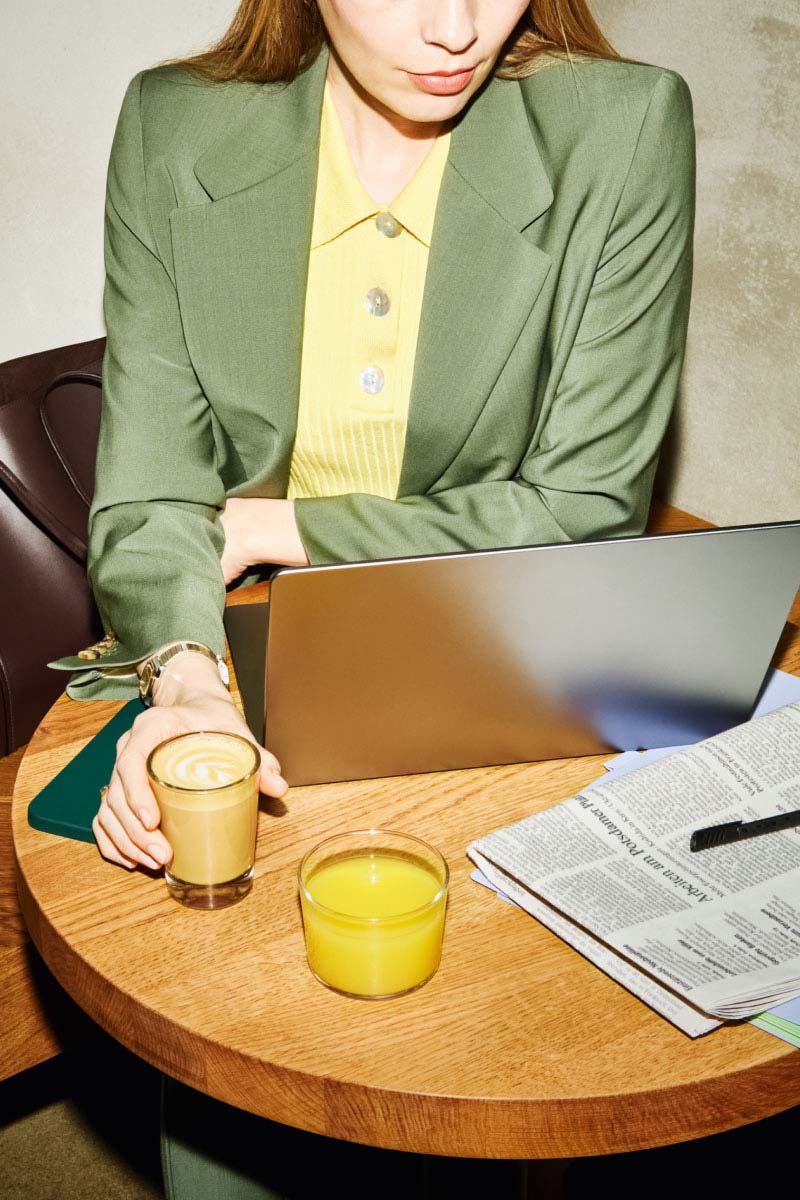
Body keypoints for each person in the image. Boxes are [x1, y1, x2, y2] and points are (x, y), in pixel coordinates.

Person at [49, 1, 695, 1193]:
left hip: (497, 645)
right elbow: (147, 498)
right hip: (238, 648)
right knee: (234, 1064)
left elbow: (587, 510)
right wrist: (185, 681)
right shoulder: (171, 124)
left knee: (511, 1063)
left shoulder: (621, 126)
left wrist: (275, 523)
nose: (452, 27)